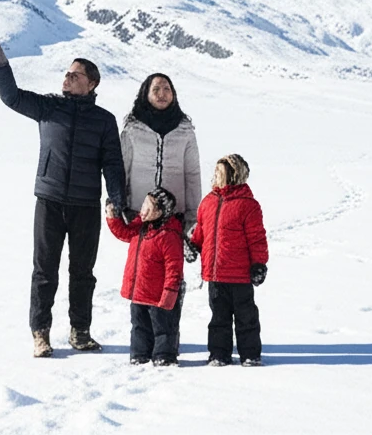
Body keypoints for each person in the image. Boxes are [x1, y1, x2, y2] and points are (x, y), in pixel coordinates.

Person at [0, 26, 126, 358]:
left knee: (82, 272)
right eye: (66, 73)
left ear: (91, 83)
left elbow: (113, 164)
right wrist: (0, 67)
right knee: (44, 270)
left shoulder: (104, 121)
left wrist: (116, 198)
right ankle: (40, 334)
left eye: (74, 75)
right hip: (49, 201)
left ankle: (80, 332)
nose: (67, 78)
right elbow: (12, 97)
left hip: (86, 206)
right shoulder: (49, 107)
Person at [119, 73, 201, 354]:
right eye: (157, 89)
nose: (163, 93)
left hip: (174, 216)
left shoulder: (185, 129)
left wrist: (192, 218)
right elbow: (122, 168)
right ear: (146, 93)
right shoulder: (132, 128)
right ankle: (144, 341)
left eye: (167, 88)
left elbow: (192, 174)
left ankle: (167, 338)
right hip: (141, 214)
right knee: (145, 275)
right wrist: (121, 205)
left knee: (170, 275)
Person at [187, 154, 269, 367]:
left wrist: (259, 264)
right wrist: (193, 247)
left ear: (233, 176)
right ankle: (218, 354)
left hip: (240, 275)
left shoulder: (248, 205)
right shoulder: (208, 202)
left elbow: (257, 238)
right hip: (215, 274)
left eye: (219, 173)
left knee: (246, 317)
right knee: (218, 318)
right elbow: (201, 232)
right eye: (214, 172)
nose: (214, 176)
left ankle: (250, 354)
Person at [106, 187, 184, 366]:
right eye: (144, 205)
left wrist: (170, 292)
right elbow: (124, 233)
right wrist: (112, 217)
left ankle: (164, 355)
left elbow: (174, 268)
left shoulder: (168, 235)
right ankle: (140, 354)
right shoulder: (140, 226)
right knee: (139, 326)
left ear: (161, 212)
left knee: (163, 327)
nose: (143, 210)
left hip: (159, 295)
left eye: (149, 207)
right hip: (139, 291)